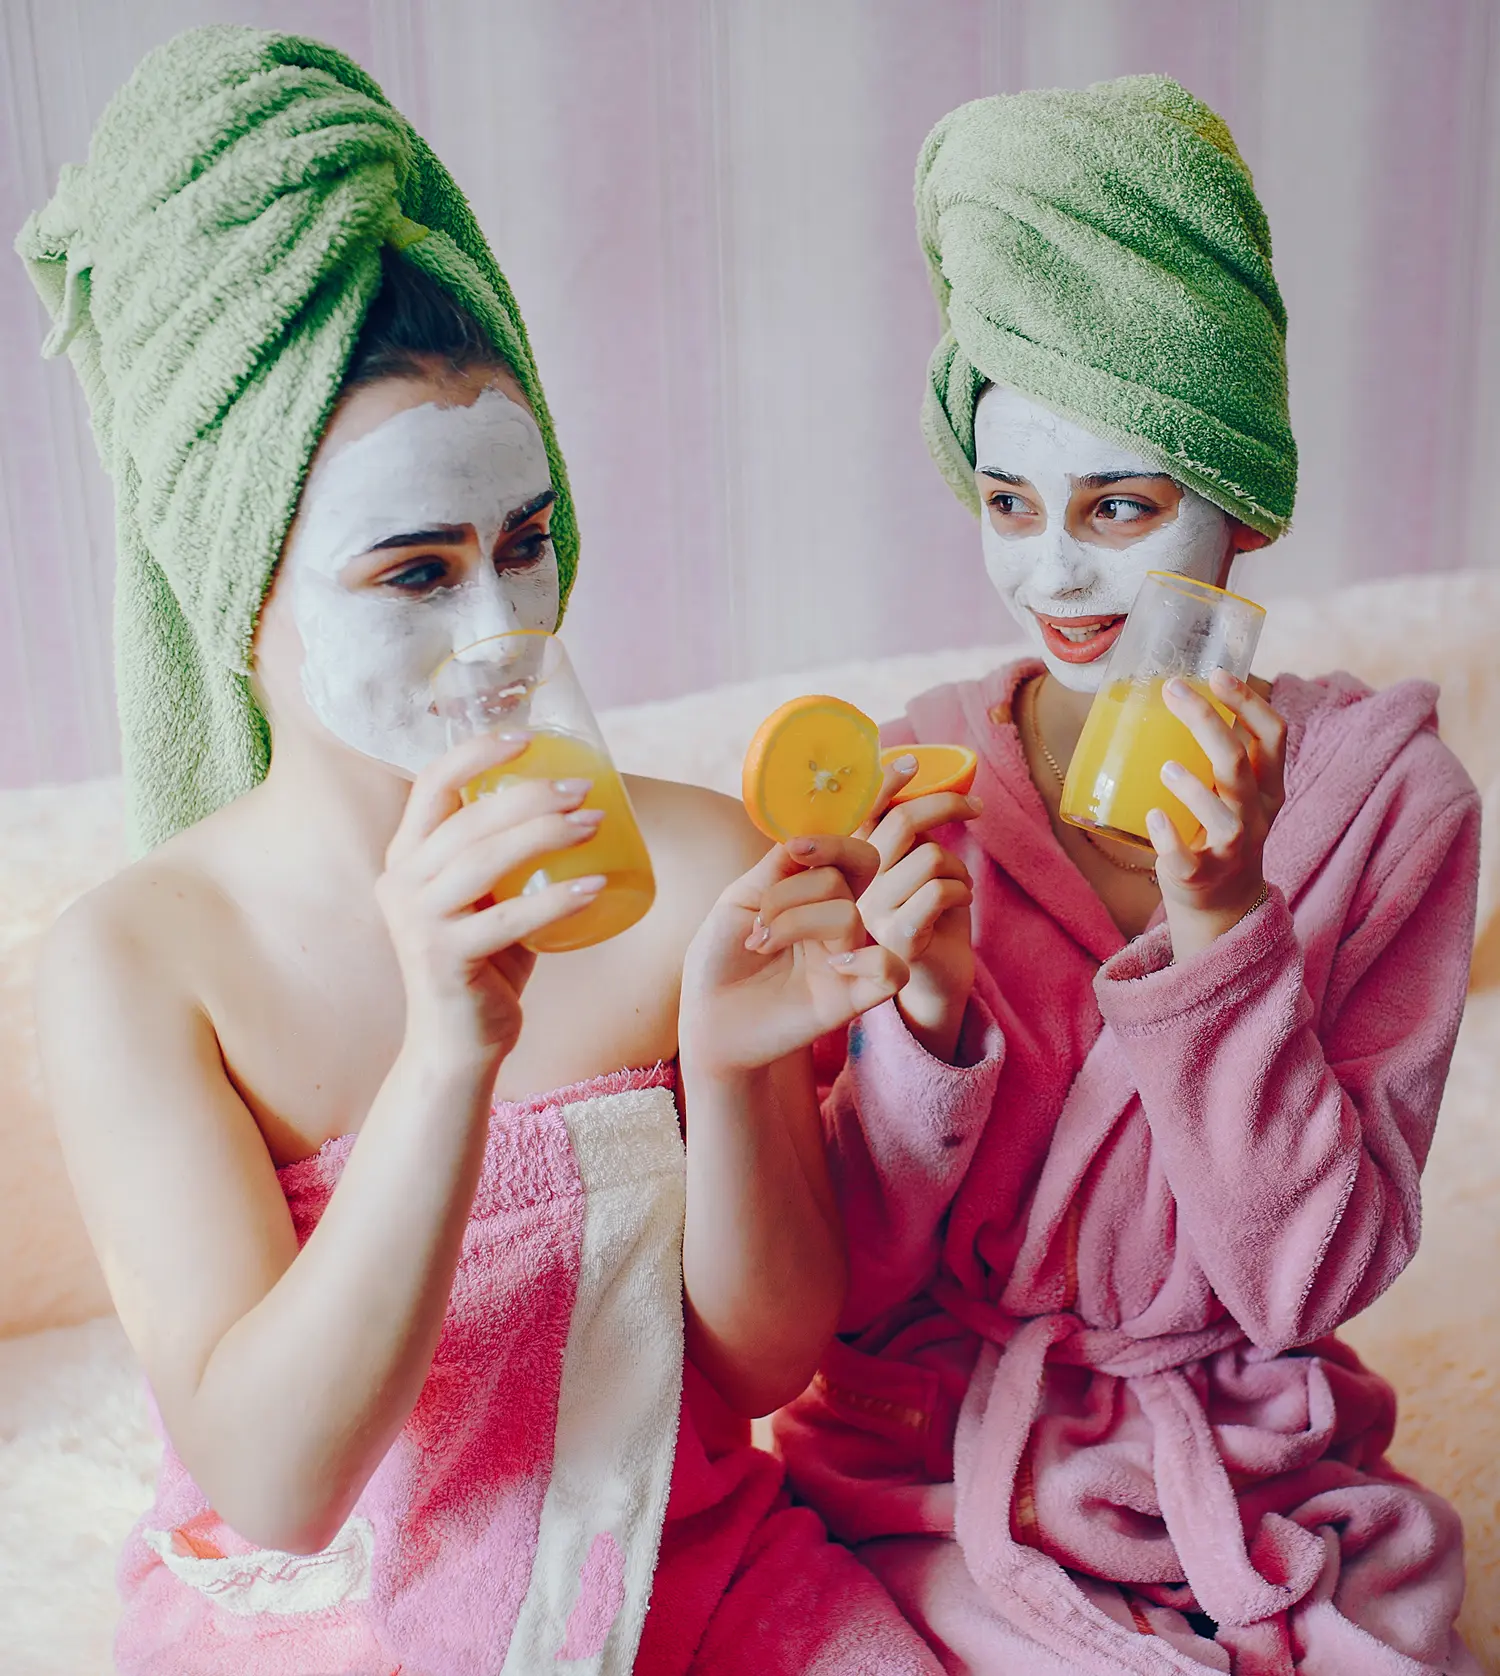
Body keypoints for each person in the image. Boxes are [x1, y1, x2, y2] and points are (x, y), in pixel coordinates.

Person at [21, 28, 944, 1676]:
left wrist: (735, 1077)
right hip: (328, 1621)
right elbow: (282, 1487)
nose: (503, 633)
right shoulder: (136, 964)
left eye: (525, 549)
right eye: (412, 572)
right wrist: (448, 1054)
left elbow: (754, 1375)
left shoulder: (683, 869)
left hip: (684, 1569)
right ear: (243, 598)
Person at [774, 77, 1483, 1673]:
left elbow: (1306, 1283)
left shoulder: (1392, 805)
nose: (1055, 572)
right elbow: (840, 1286)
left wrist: (1230, 919)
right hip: (926, 1456)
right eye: (1011, 505)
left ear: (1236, 498)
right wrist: (922, 1041)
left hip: (1242, 1453)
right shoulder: (920, 785)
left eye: (1123, 507)